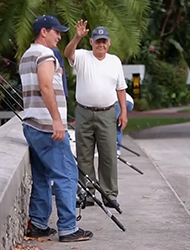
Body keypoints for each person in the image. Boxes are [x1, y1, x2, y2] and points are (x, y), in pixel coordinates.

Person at [19, 15, 93, 242]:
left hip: (32, 125)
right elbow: (45, 86)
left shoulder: (26, 55)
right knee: (67, 175)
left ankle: (39, 224)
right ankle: (69, 229)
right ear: (44, 32)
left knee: (41, 176)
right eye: (56, 32)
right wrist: (57, 121)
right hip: (47, 127)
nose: (59, 36)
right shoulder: (45, 54)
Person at [64, 20, 128, 209]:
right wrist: (77, 37)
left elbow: (121, 88)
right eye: (97, 41)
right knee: (84, 154)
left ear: (109, 43)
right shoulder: (83, 56)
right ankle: (87, 193)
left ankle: (109, 194)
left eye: (104, 41)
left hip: (107, 113)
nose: (101, 44)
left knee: (108, 154)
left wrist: (123, 111)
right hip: (84, 112)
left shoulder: (114, 61)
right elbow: (68, 53)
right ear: (91, 42)